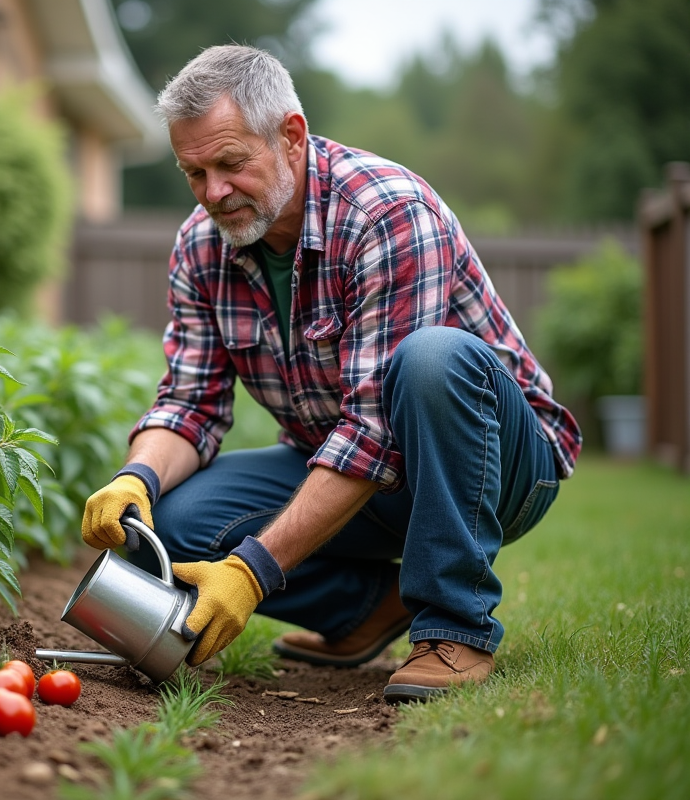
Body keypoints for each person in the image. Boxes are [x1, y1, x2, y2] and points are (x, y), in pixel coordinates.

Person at [79, 45, 581, 703]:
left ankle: (454, 626)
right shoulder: (202, 247)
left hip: (496, 464)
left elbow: (374, 427)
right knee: (174, 524)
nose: (213, 193)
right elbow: (190, 404)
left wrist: (252, 573)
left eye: (230, 164)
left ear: (291, 136)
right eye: (193, 173)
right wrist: (135, 477)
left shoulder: (386, 210)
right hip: (346, 466)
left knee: (434, 358)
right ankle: (365, 612)